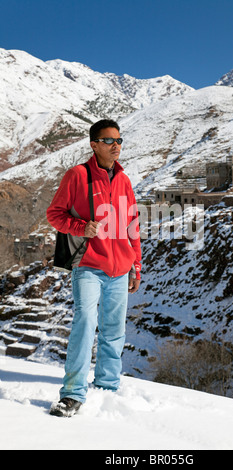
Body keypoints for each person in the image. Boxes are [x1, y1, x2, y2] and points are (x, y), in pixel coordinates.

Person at [47, 119, 142, 417]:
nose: (116, 146)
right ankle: (73, 393)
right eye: (109, 140)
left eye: (119, 140)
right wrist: (79, 226)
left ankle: (107, 387)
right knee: (86, 322)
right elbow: (55, 214)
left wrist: (135, 266)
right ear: (94, 144)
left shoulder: (124, 180)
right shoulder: (78, 175)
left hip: (120, 267)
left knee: (114, 330)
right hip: (88, 264)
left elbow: (132, 225)